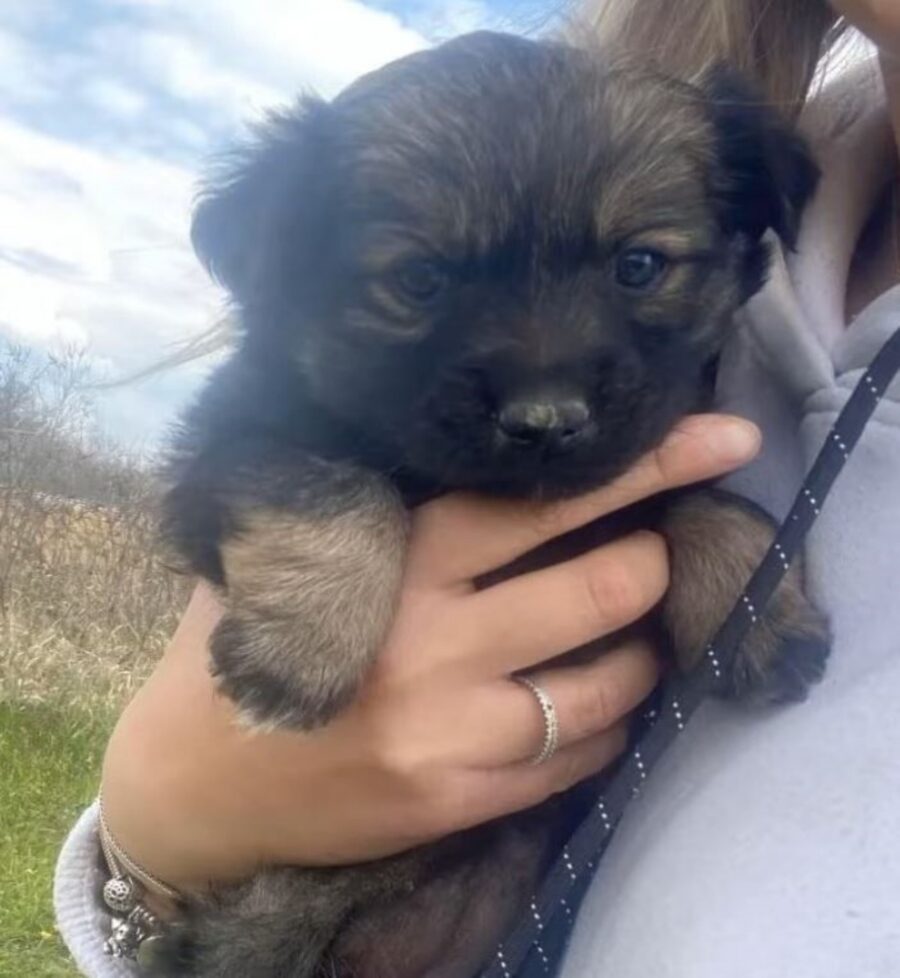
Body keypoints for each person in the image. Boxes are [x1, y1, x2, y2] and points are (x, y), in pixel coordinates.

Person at [54, 1, 900, 975]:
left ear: (754, 234)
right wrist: (158, 823)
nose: (545, 401)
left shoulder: (726, 161)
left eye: (639, 269)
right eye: (419, 285)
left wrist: (714, 546)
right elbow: (234, 452)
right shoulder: (777, 165)